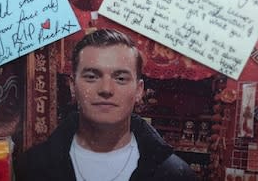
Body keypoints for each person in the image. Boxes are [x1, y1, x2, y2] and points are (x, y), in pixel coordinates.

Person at [15, 28, 196, 181]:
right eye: (92, 77)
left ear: (139, 90)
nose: (106, 89)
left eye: (121, 78)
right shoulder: (31, 168)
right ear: (73, 86)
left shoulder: (175, 174)